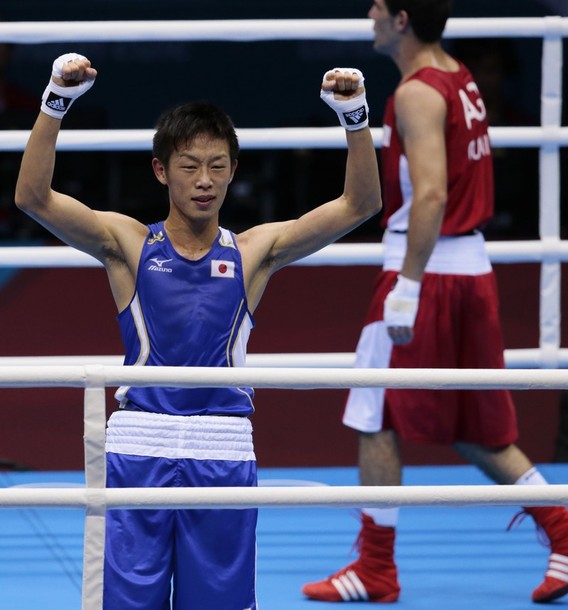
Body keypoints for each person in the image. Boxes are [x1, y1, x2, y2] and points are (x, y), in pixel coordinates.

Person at [15, 54, 381, 609]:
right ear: (161, 170)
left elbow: (361, 204)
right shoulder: (129, 244)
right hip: (140, 443)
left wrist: (354, 116)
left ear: (234, 170)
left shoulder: (254, 251)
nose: (204, 181)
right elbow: (33, 198)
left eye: (216, 166)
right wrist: (55, 102)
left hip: (222, 446)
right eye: (189, 166)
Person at [301, 0, 568, 605]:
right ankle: (561, 526)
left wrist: (408, 287)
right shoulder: (458, 76)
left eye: (379, 5)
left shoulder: (418, 93)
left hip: (428, 269)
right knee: (474, 427)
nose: (369, 12)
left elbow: (431, 196)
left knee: (373, 411)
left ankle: (376, 567)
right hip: (469, 270)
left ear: (401, 20)